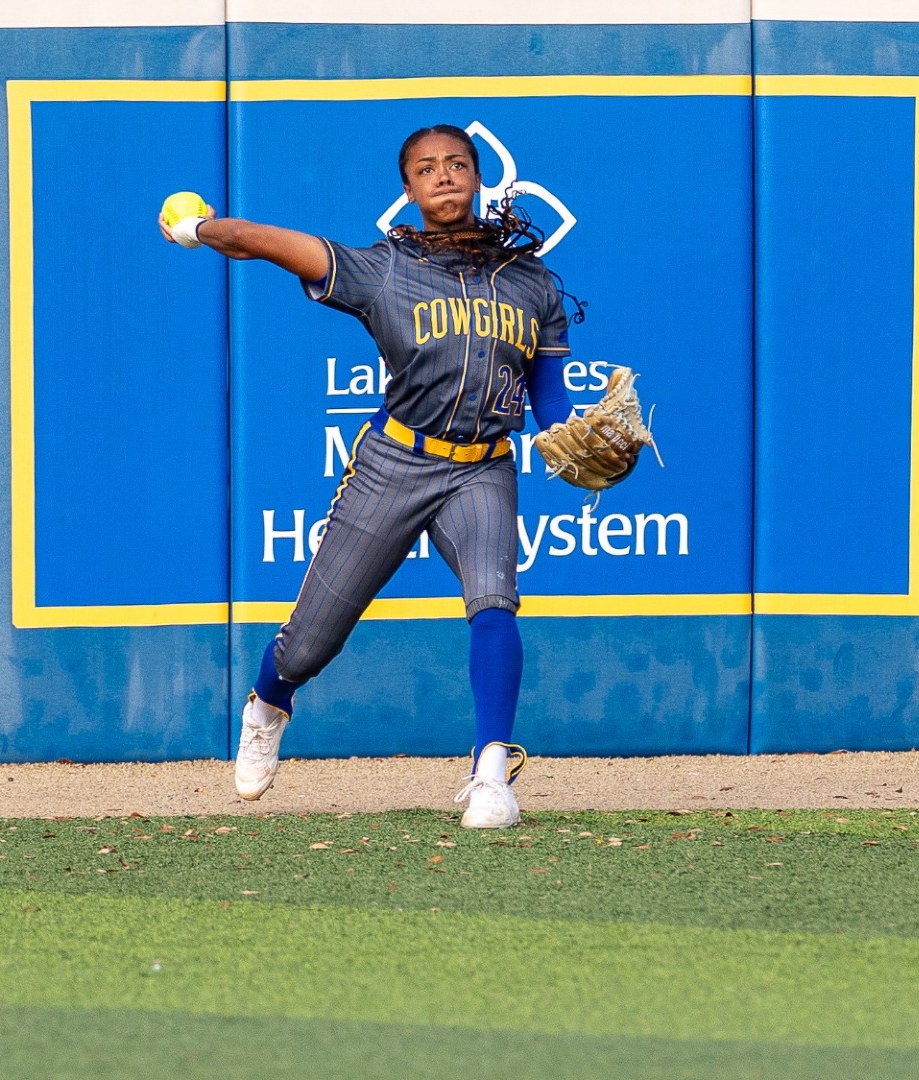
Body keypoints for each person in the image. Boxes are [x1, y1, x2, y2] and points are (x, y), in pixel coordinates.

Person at [159, 124, 631, 828]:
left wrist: (575, 437)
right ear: (408, 190)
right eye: (426, 168)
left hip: (482, 468)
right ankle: (268, 704)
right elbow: (265, 242)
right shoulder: (382, 269)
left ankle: (491, 774)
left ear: (479, 178)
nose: (444, 175)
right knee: (311, 641)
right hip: (395, 462)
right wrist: (198, 229)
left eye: (457, 164)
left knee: (494, 603)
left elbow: (549, 399)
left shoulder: (530, 282)